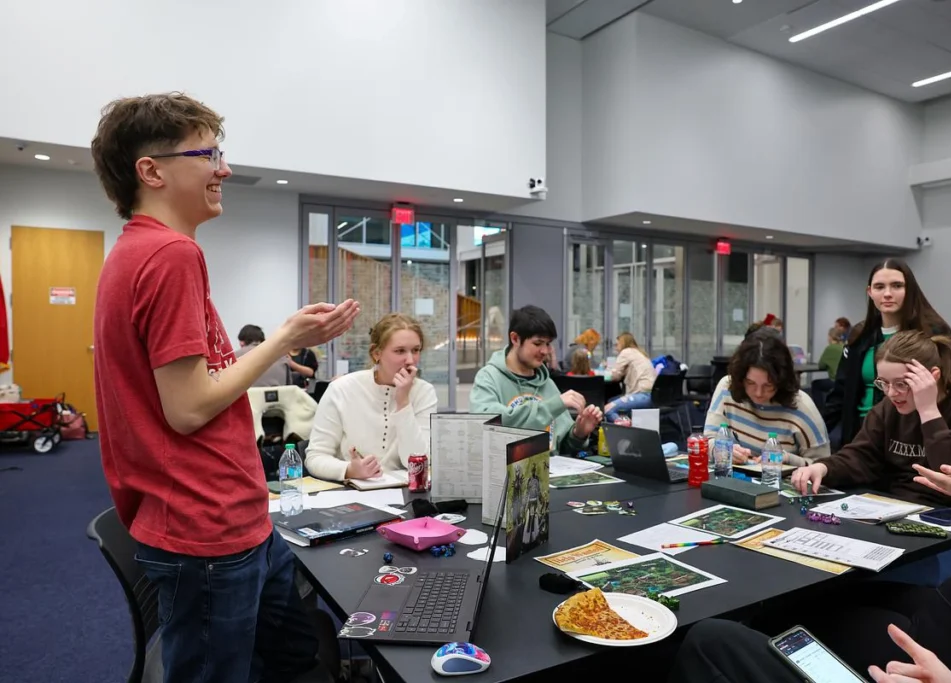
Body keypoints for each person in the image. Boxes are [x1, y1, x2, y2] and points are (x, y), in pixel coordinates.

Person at [91, 92, 360, 683]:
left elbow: (194, 384)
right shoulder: (168, 254)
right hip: (205, 526)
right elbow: (187, 409)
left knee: (293, 653)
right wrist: (284, 338)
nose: (225, 168)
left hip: (234, 518)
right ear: (152, 170)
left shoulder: (140, 251)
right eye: (207, 152)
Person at [671, 461, 951, 683]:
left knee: (710, 638)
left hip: (948, 646)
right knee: (809, 602)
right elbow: (860, 453)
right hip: (945, 611)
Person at [793, 331, 951, 508]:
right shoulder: (889, 408)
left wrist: (928, 411)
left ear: (933, 376)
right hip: (901, 510)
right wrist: (824, 468)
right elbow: (861, 455)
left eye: (902, 383)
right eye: (884, 383)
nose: (891, 393)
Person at [823, 258, 951, 448]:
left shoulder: (935, 332)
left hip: (913, 436)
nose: (887, 294)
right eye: (879, 287)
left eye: (896, 286)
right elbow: (841, 392)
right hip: (861, 432)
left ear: (909, 290)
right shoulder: (859, 335)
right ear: (870, 292)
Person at [304, 313, 437, 481]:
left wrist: (403, 402)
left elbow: (418, 462)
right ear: (376, 353)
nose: (410, 360)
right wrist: (349, 470)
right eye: (400, 351)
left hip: (404, 493)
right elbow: (315, 456)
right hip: (351, 493)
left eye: (416, 350)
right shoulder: (342, 389)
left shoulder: (424, 392)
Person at [470, 305, 602, 454]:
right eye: (538, 343)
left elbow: (563, 446)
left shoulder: (547, 384)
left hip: (551, 472)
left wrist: (579, 433)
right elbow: (487, 424)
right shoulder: (489, 378)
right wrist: (552, 406)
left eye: (547, 344)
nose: (545, 351)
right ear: (515, 339)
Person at [704, 329, 829, 467]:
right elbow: (708, 439)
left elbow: (824, 466)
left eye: (768, 385)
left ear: (781, 381)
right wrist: (722, 450)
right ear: (740, 378)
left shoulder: (802, 407)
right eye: (750, 383)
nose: (758, 393)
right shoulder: (726, 388)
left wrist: (787, 459)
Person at [603, 333, 657, 421]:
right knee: (611, 400)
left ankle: (625, 429)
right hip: (653, 395)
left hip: (642, 395)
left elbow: (614, 376)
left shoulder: (626, 352)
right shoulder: (639, 352)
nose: (616, 348)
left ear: (623, 343)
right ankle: (625, 425)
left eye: (617, 344)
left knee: (608, 409)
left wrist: (606, 370)